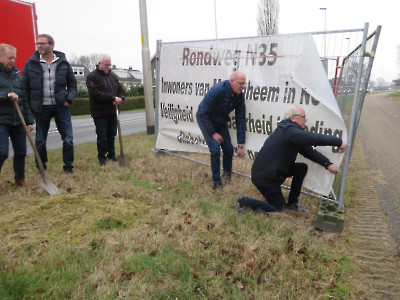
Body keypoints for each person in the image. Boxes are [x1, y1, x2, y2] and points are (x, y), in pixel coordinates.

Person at [236, 105, 346, 213]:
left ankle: (293, 203)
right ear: (293, 118)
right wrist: (338, 142)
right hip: (265, 177)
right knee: (280, 210)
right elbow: (315, 139)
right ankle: (245, 201)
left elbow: (308, 151)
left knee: (301, 168)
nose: (306, 120)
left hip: (273, 171)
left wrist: (327, 164)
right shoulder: (289, 131)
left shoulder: (291, 133)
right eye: (303, 117)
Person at [23, 34, 77, 174]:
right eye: (37, 43)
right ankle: (41, 167)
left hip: (61, 107)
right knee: (40, 140)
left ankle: (68, 167)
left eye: (42, 43)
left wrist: (68, 99)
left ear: (51, 45)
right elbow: (25, 88)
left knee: (68, 138)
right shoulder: (30, 64)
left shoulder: (63, 63)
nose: (39, 46)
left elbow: (72, 84)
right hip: (41, 108)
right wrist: (30, 107)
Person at [196, 71, 246, 190]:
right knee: (215, 150)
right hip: (205, 120)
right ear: (231, 81)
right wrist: (213, 133)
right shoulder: (217, 91)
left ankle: (227, 178)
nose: (243, 86)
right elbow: (202, 113)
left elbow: (240, 118)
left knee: (228, 150)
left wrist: (240, 144)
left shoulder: (239, 95)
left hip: (220, 122)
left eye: (244, 83)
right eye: (241, 83)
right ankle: (217, 183)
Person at [0, 44, 35, 188]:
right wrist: (5, 96)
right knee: (2, 152)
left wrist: (29, 121)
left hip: (18, 120)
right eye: (10, 58)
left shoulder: (17, 77)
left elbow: (25, 101)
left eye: (14, 57)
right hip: (1, 120)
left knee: (21, 151)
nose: (13, 60)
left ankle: (20, 180)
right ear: (1, 57)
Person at [86, 54, 125, 166]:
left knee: (111, 135)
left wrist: (120, 98)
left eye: (109, 64)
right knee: (102, 136)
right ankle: (102, 158)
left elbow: (121, 90)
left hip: (112, 111)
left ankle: (111, 155)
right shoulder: (92, 77)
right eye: (106, 64)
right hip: (99, 111)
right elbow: (95, 93)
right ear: (100, 64)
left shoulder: (113, 76)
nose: (108, 66)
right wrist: (112, 98)